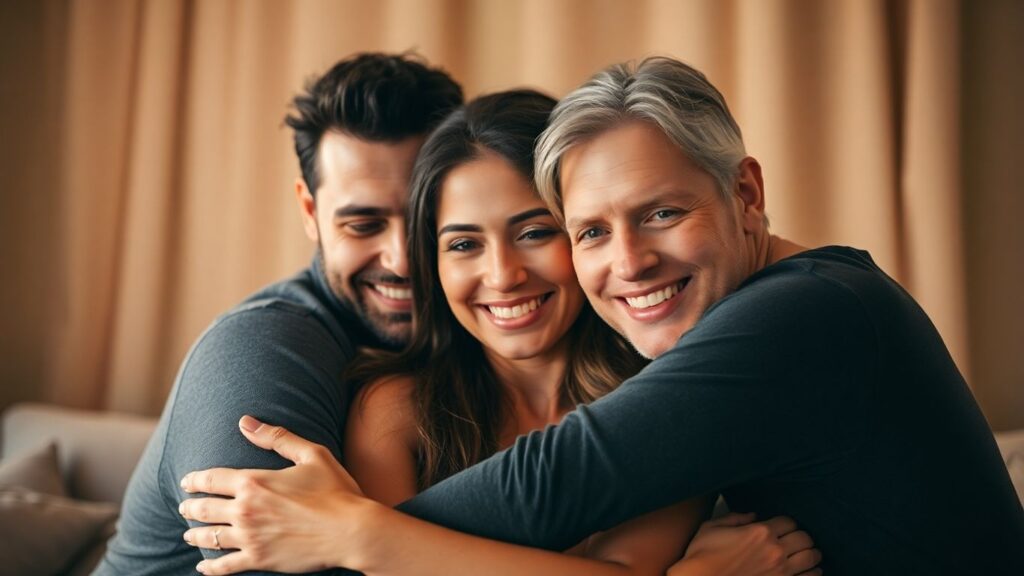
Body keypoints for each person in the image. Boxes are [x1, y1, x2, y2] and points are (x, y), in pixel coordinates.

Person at [177, 57, 1024, 575]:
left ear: (746, 194)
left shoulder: (799, 322)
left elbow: (553, 481)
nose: (629, 262)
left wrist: (350, 532)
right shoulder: (381, 397)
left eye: (662, 213)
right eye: (592, 230)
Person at [346, 89, 819, 575]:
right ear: (433, 263)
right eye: (464, 244)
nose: (503, 275)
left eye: (534, 233)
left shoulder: (661, 401)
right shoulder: (395, 413)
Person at [93, 52, 463, 575]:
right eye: (363, 225)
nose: (402, 259)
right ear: (310, 213)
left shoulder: (466, 336)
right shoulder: (262, 350)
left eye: (428, 216)